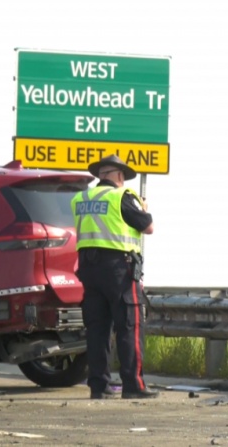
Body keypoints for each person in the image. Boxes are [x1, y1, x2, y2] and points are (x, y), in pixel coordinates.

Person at [71, 154, 159, 400]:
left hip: (89, 269)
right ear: (119, 175)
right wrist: (143, 209)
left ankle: (99, 386)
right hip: (118, 270)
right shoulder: (122, 196)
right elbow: (148, 227)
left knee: (97, 329)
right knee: (129, 325)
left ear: (100, 175)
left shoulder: (81, 198)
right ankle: (133, 385)